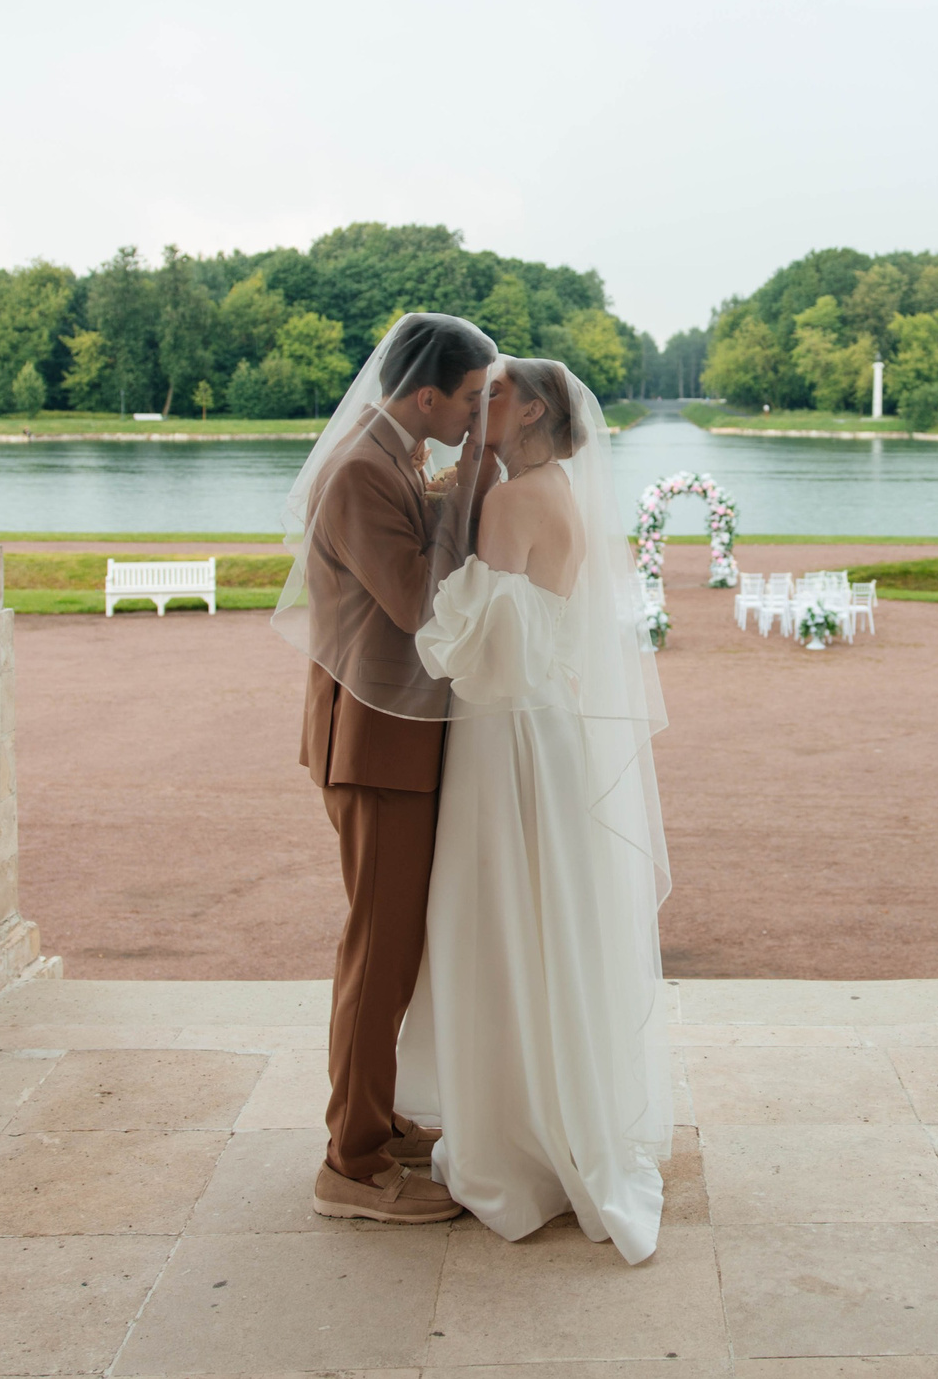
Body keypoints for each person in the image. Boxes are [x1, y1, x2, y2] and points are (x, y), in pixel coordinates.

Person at [397, 357, 675, 1264]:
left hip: (504, 732)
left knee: (495, 919)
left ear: (533, 413)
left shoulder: (512, 501)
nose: (483, 403)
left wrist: (438, 614)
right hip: (547, 726)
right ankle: (559, 1114)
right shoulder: (558, 492)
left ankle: (510, 1141)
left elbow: (479, 642)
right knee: (547, 919)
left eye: (499, 394)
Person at [273, 312, 498, 1225]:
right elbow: (413, 600)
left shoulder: (394, 453)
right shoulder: (362, 469)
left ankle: (374, 1118)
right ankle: (352, 1162)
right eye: (472, 399)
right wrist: (472, 486)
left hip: (394, 735)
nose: (479, 415)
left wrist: (453, 489)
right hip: (374, 742)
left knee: (396, 947)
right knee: (377, 951)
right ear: (428, 394)